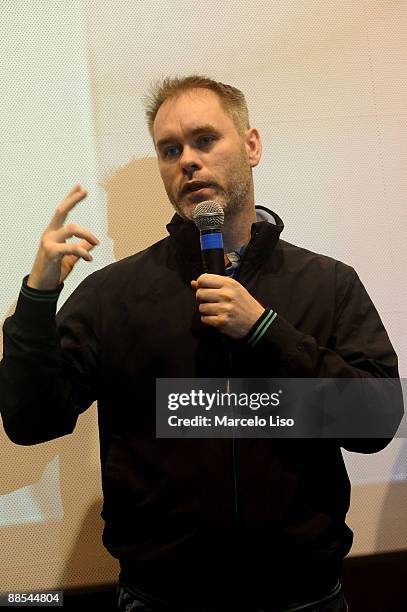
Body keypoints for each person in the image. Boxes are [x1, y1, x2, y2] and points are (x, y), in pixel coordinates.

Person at [0, 75, 403, 612]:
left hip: (302, 596)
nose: (187, 160)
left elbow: (374, 424)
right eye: (170, 150)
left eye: (205, 140)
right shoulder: (113, 295)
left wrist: (266, 332)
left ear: (252, 145)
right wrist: (37, 298)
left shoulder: (326, 284)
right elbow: (31, 421)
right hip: (162, 599)